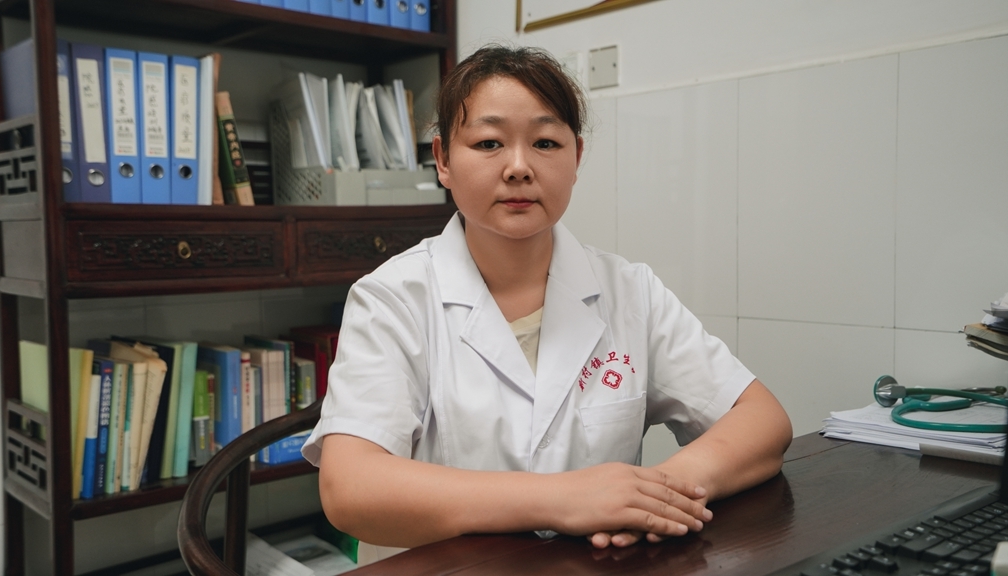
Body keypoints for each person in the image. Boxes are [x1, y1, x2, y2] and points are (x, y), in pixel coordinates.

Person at [301, 44, 792, 559]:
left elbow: (761, 419)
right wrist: (562, 499)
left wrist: (654, 494)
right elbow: (350, 488)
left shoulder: (629, 291)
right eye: (489, 143)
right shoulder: (392, 298)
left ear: (576, 157)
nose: (518, 167)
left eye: (544, 142)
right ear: (443, 160)